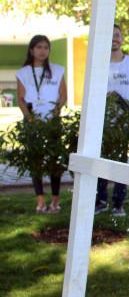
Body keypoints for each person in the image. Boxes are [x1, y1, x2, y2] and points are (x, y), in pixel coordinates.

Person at [16, 34, 67, 213]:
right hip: (32, 121)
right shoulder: (23, 73)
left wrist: (56, 111)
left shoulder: (58, 70)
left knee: (54, 160)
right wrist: (30, 119)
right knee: (35, 161)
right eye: (39, 47)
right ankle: (40, 201)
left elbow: (63, 96)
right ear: (31, 50)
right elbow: (21, 99)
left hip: (52, 122)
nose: (42, 51)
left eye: (46, 47)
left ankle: (55, 200)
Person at [95, 25, 129, 217]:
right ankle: (101, 200)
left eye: (117, 35)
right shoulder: (99, 63)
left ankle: (118, 202)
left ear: (122, 38)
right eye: (110, 35)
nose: (114, 39)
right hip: (104, 119)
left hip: (124, 118)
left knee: (121, 159)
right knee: (101, 159)